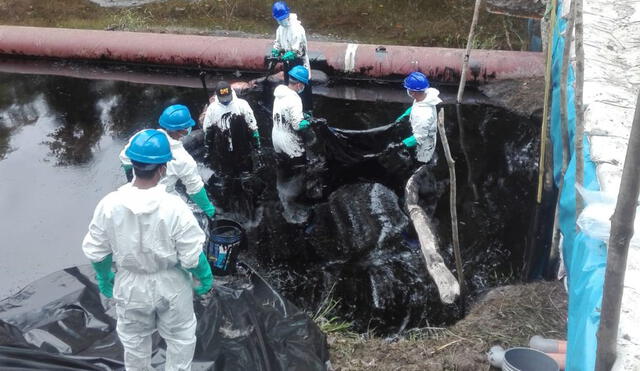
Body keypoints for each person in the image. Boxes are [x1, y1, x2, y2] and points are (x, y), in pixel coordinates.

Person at [82, 129, 213, 371]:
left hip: (130, 286)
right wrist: (203, 276)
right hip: (172, 286)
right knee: (180, 338)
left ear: (132, 164)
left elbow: (96, 250)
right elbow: (191, 255)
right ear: (163, 168)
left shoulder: (109, 204)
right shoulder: (175, 207)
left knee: (134, 343)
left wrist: (104, 276)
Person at [120, 104, 216, 218]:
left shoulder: (143, 136)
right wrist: (209, 210)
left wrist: (132, 177)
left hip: (136, 192)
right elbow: (195, 189)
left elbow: (124, 157)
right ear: (185, 130)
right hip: (163, 202)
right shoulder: (182, 159)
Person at [272, 65, 313, 223]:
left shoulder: (280, 93)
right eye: (303, 85)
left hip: (276, 137)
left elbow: (285, 115)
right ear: (299, 84)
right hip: (289, 140)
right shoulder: (294, 98)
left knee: (282, 167)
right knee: (299, 168)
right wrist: (307, 121)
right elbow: (297, 125)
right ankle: (294, 191)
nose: (303, 88)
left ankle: (283, 185)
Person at [202, 81, 260, 176]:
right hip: (222, 146)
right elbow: (208, 130)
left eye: (227, 97)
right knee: (226, 173)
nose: (225, 100)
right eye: (222, 98)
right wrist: (208, 150)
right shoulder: (212, 109)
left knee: (246, 170)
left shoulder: (242, 105)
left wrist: (257, 146)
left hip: (242, 144)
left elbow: (252, 126)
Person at [270, 1, 313, 112]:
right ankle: (290, 109)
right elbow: (278, 42)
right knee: (289, 86)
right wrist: (275, 50)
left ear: (288, 15)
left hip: (299, 62)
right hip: (288, 63)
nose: (281, 21)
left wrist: (292, 53)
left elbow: (299, 49)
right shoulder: (280, 29)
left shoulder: (297, 29)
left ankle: (307, 111)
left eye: (283, 18)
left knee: (303, 87)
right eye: (279, 19)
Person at [394, 72, 442, 164]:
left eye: (408, 89)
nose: (407, 90)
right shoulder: (425, 96)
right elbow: (415, 106)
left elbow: (419, 138)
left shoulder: (423, 115)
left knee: (419, 162)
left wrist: (401, 144)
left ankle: (423, 163)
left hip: (423, 149)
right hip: (423, 132)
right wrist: (405, 115)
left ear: (413, 92)